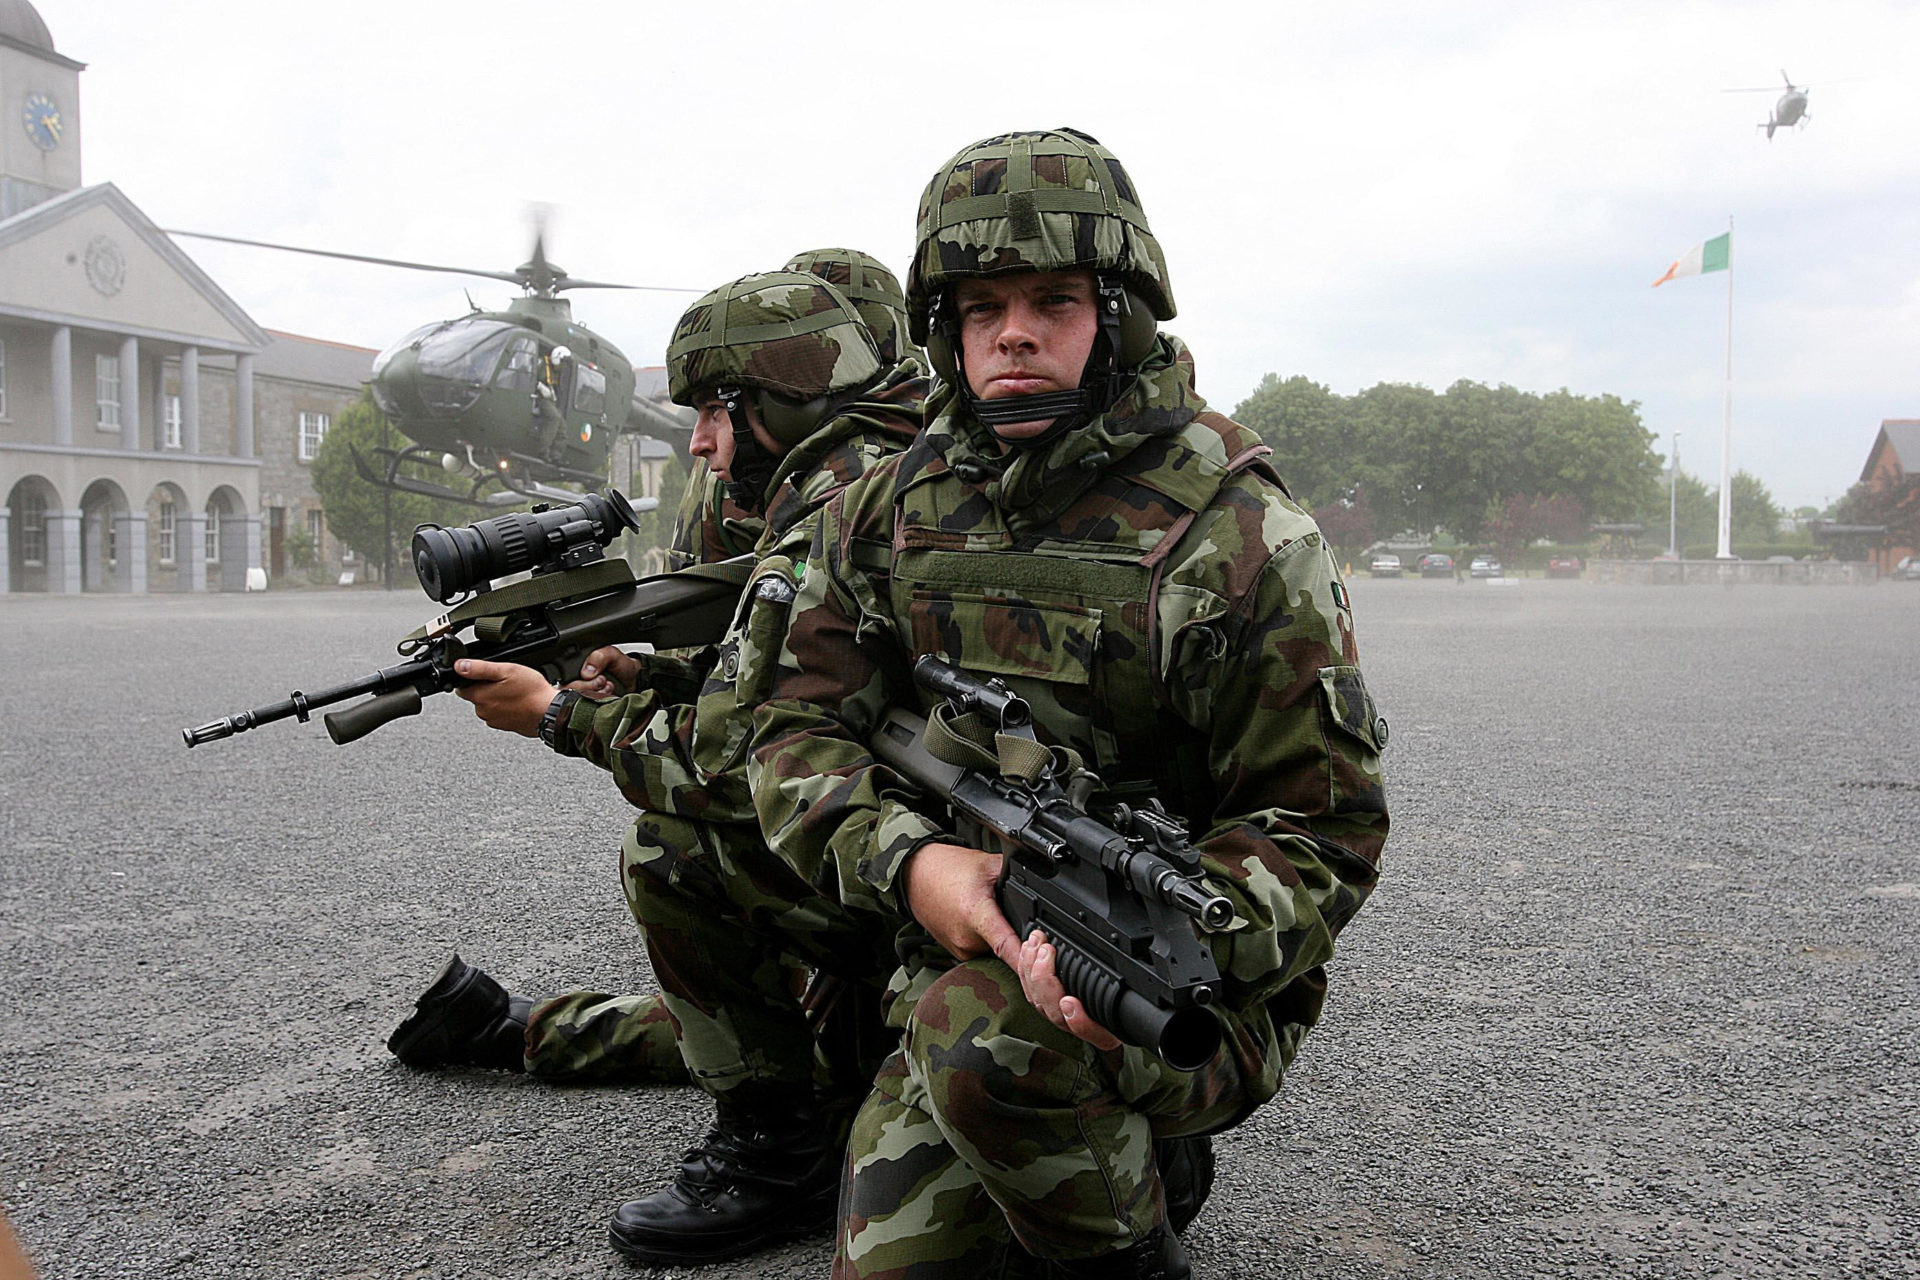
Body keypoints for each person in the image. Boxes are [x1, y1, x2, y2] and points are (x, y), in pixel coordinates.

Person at [748, 129, 1390, 1278]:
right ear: (944, 327)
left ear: (1121, 313)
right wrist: (908, 864)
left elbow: (1323, 827)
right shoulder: (885, 509)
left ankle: (1134, 1212)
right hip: (949, 936)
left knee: (992, 1045)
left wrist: (1168, 942)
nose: (1016, 332)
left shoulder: (1237, 528)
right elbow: (790, 729)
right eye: (982, 304)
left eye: (1055, 298)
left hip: (1177, 981)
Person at [396, 269, 928, 1265]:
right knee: (786, 1011)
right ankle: (524, 1029)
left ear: (783, 398)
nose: (697, 442)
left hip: (921, 876)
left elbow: (744, 762)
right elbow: (810, 680)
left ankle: (779, 1159)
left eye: (715, 412)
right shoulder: (882, 461)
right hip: (914, 847)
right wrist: (658, 667)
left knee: (676, 851)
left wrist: (559, 714)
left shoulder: (833, 503)